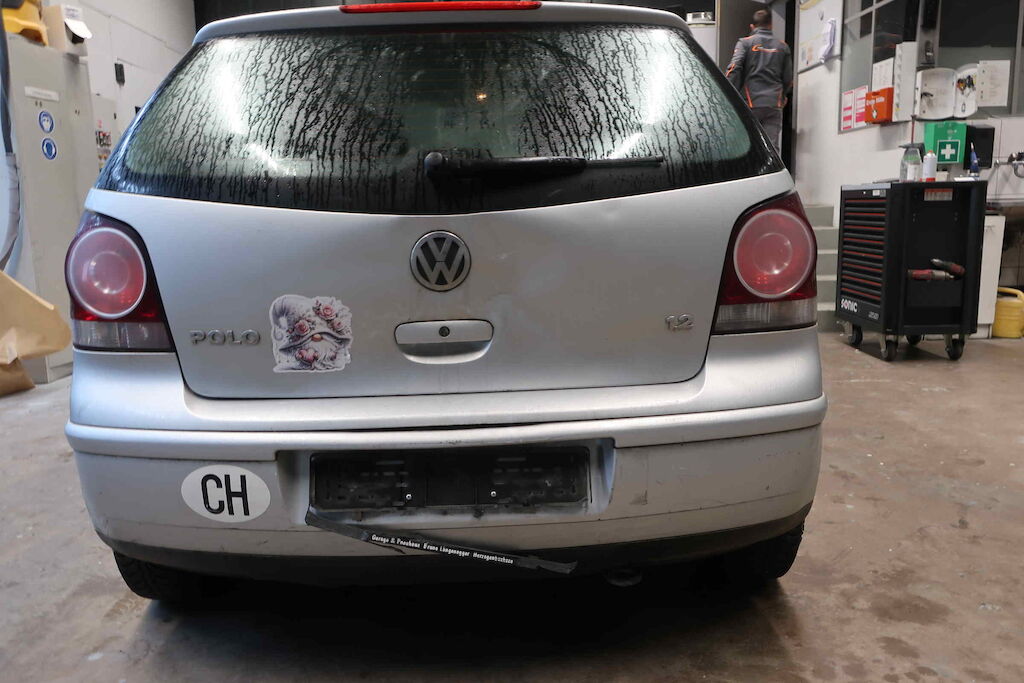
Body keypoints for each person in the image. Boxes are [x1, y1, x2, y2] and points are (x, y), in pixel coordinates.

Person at [726, 9, 793, 153]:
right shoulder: (782, 46)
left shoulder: (745, 43)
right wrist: (783, 96)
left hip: (751, 102)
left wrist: (728, 93)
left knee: (750, 147)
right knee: (771, 148)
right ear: (771, 25)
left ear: (752, 26)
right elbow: (788, 78)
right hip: (774, 103)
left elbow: (734, 68)